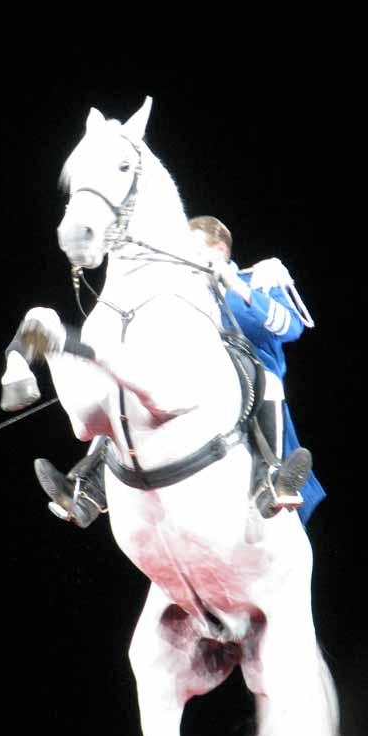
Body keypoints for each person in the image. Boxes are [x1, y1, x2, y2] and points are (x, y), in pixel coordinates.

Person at [34, 216, 325, 528]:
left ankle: (269, 478)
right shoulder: (176, 294)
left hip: (247, 382)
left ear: (219, 249)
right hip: (191, 383)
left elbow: (290, 327)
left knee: (269, 383)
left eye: (193, 249)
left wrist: (235, 284)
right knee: (128, 389)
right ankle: (87, 489)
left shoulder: (257, 279)